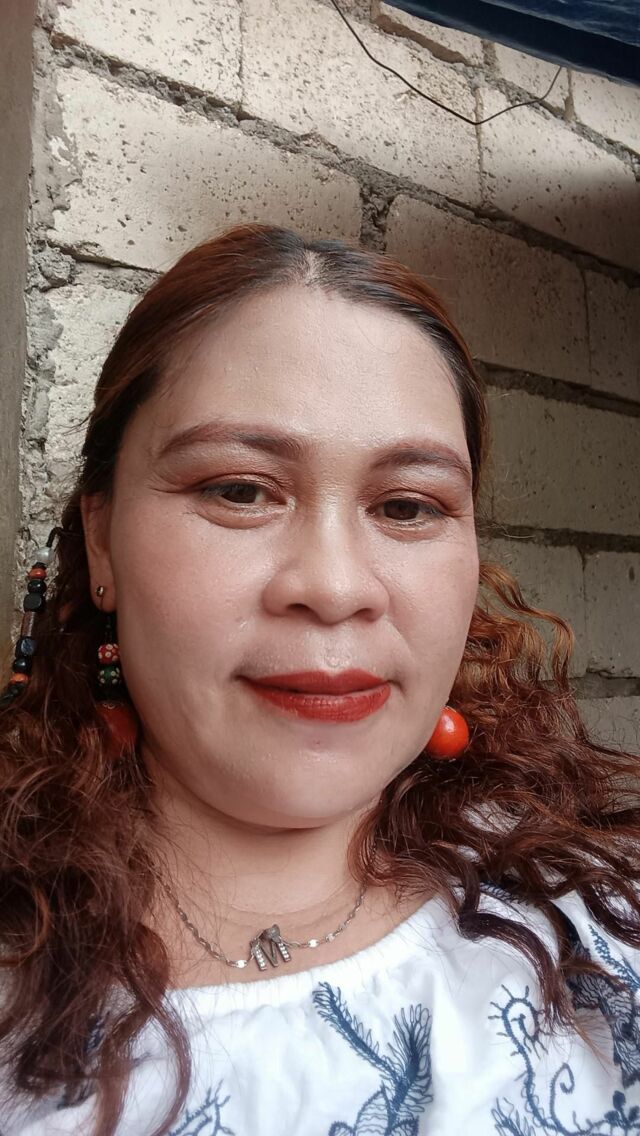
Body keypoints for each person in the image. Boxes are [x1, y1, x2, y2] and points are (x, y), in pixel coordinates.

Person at [0, 223, 638, 1136]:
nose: (335, 588)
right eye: (239, 490)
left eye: (407, 505)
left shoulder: (598, 920)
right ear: (101, 540)